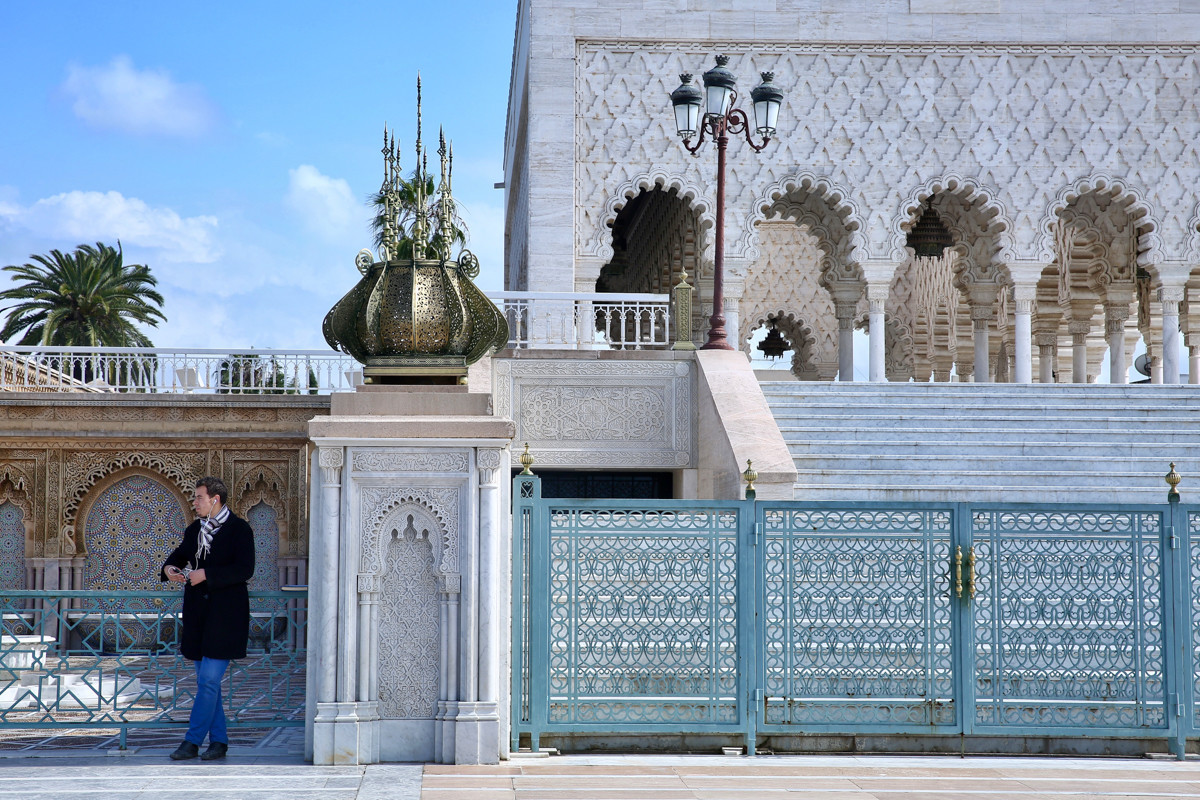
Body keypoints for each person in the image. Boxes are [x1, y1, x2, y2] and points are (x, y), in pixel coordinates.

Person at [161, 476, 255, 761]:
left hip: (226, 617)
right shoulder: (195, 530)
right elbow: (180, 554)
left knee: (209, 681)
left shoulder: (239, 530)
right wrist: (170, 568)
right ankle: (219, 741)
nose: (195, 503)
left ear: (215, 499)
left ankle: (192, 741)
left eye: (199, 498)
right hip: (199, 616)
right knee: (206, 682)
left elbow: (245, 569)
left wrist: (207, 575)